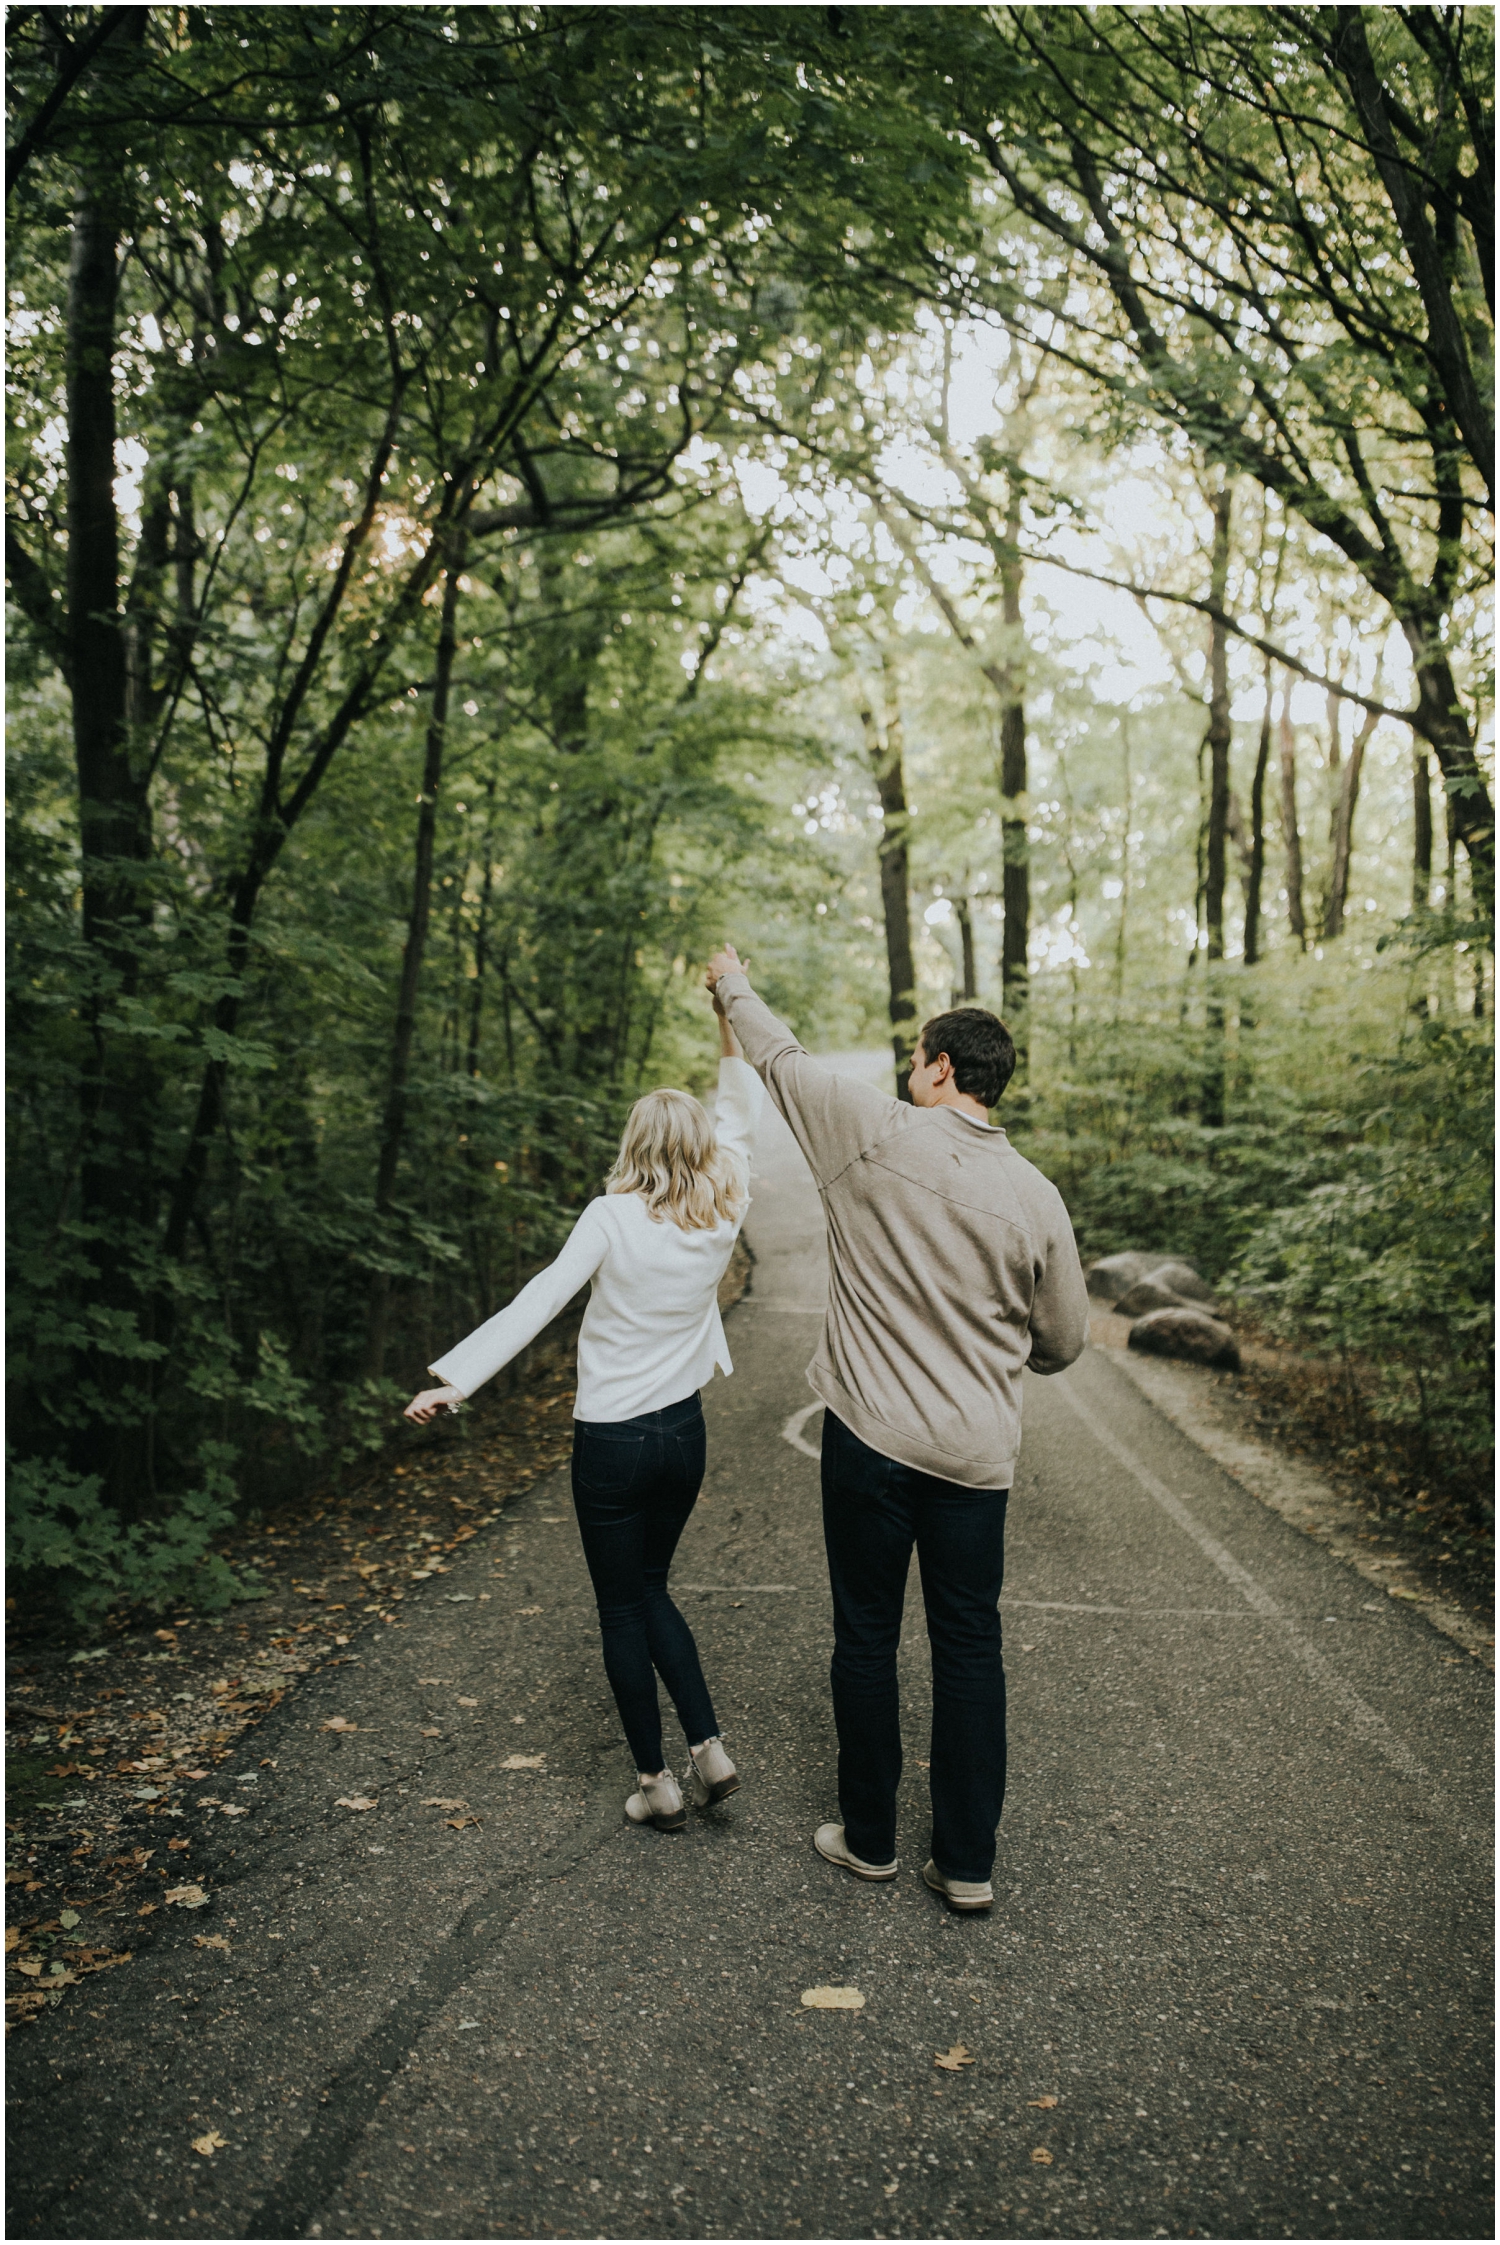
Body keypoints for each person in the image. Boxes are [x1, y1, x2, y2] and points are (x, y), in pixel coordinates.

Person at [704, 943, 1088, 1911]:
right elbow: (1064, 1341)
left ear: (942, 1070)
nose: (908, 1073)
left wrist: (728, 982)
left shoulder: (871, 1134)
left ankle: (869, 1836)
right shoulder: (1037, 1197)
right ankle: (966, 1863)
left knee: (866, 1634)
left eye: (917, 1059)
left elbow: (778, 1056)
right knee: (969, 1647)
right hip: (974, 1461)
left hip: (869, 1441)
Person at [404, 996, 764, 1834]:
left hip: (613, 1442)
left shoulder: (611, 1217)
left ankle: (657, 1783)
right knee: (652, 1589)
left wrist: (459, 1379)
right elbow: (740, 1107)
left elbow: (541, 1300)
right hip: (683, 1434)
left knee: (620, 1606)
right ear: (702, 1148)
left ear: (634, 1146)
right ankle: (709, 1749)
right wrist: (728, 1019)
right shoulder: (726, 1202)